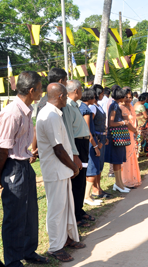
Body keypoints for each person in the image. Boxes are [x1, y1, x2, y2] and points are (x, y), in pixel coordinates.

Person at [0, 71, 49, 266]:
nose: (42, 93)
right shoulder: (12, 113)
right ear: (32, 90)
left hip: (24, 166)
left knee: (30, 213)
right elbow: (2, 151)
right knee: (15, 217)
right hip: (13, 168)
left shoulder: (27, 109)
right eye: (40, 90)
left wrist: (27, 154)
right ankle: (13, 261)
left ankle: (28, 251)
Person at [37, 83, 85, 262]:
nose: (67, 97)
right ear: (60, 96)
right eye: (65, 95)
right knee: (56, 209)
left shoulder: (55, 113)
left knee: (66, 207)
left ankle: (67, 238)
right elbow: (58, 149)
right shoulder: (50, 115)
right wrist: (74, 166)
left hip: (61, 170)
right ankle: (55, 247)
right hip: (55, 170)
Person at [63, 80, 94, 227]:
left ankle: (80, 210)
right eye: (81, 89)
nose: (82, 92)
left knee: (82, 179)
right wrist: (74, 154)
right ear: (75, 91)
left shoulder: (76, 105)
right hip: (76, 145)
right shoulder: (68, 106)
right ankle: (76, 216)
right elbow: (69, 131)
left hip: (83, 144)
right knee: (77, 181)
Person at [79, 89, 103, 206]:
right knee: (92, 170)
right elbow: (88, 131)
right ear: (89, 98)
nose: (95, 99)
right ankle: (87, 196)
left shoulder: (80, 107)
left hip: (84, 142)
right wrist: (95, 146)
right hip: (90, 143)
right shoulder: (86, 110)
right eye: (94, 97)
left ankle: (86, 195)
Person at [105, 85, 130, 193]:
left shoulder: (115, 104)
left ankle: (119, 183)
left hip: (118, 137)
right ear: (121, 97)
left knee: (119, 161)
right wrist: (124, 122)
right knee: (116, 160)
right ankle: (118, 183)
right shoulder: (114, 106)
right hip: (115, 137)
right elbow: (111, 123)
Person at [89, 84, 109, 198]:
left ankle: (99, 187)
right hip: (97, 139)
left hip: (102, 137)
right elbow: (90, 125)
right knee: (96, 164)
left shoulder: (98, 105)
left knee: (100, 164)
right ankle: (95, 189)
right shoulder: (92, 107)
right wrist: (97, 141)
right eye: (101, 93)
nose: (103, 95)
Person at [119, 88, 142, 188]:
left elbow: (134, 120)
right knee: (127, 157)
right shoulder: (121, 107)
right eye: (126, 97)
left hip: (133, 134)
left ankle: (133, 179)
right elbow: (127, 123)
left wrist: (136, 130)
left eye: (130, 97)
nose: (128, 99)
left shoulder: (130, 106)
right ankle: (126, 180)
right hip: (125, 134)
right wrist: (135, 130)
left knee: (133, 155)